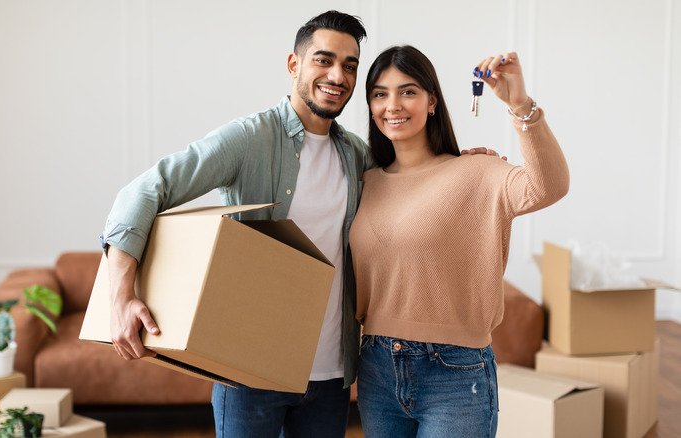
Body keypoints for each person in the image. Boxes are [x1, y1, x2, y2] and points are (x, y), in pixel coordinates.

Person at [100, 11, 497, 436]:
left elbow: (411, 184)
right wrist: (120, 295)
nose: (337, 75)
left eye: (349, 65)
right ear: (294, 65)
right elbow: (144, 192)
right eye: (323, 60)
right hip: (249, 369)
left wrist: (459, 166)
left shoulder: (358, 156)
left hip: (329, 379)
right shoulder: (249, 140)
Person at [349, 46, 569, 437]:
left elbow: (549, 186)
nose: (393, 104)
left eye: (408, 91)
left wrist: (520, 105)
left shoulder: (478, 171)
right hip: (376, 368)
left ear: (432, 101)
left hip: (454, 372)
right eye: (380, 93)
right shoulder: (365, 183)